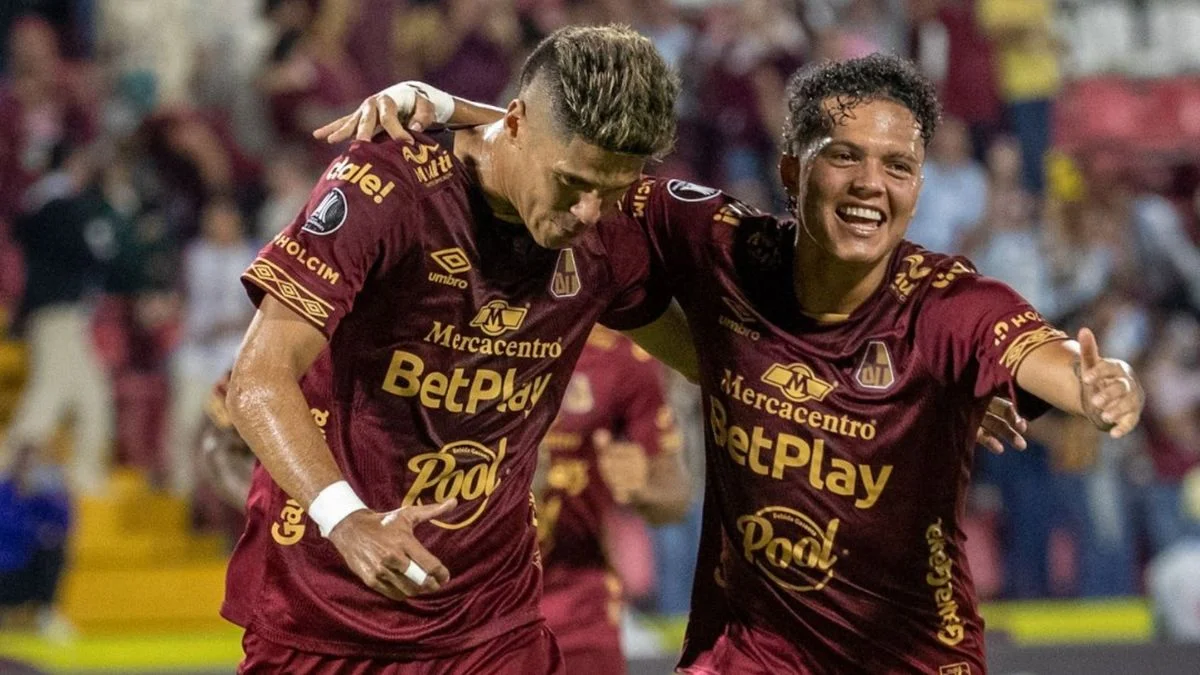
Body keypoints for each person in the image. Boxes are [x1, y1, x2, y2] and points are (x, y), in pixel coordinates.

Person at [323, 53, 1144, 673]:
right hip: (748, 649)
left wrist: (1097, 383)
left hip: (909, 653)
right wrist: (444, 105)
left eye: (898, 166)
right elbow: (565, 144)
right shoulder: (718, 242)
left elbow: (1042, 354)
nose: (871, 184)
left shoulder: (947, 303)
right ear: (792, 170)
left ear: (920, 186)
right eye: (845, 156)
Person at [223, 25, 681, 673]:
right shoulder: (385, 185)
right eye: (571, 182)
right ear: (514, 124)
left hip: (493, 625)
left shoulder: (609, 233)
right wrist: (347, 519)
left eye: (608, 191)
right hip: (327, 607)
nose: (586, 212)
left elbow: (713, 361)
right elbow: (256, 381)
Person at [536, 326, 690, 674]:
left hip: (579, 611)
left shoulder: (621, 356)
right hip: (475, 605)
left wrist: (641, 487)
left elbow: (675, 497)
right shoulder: (463, 337)